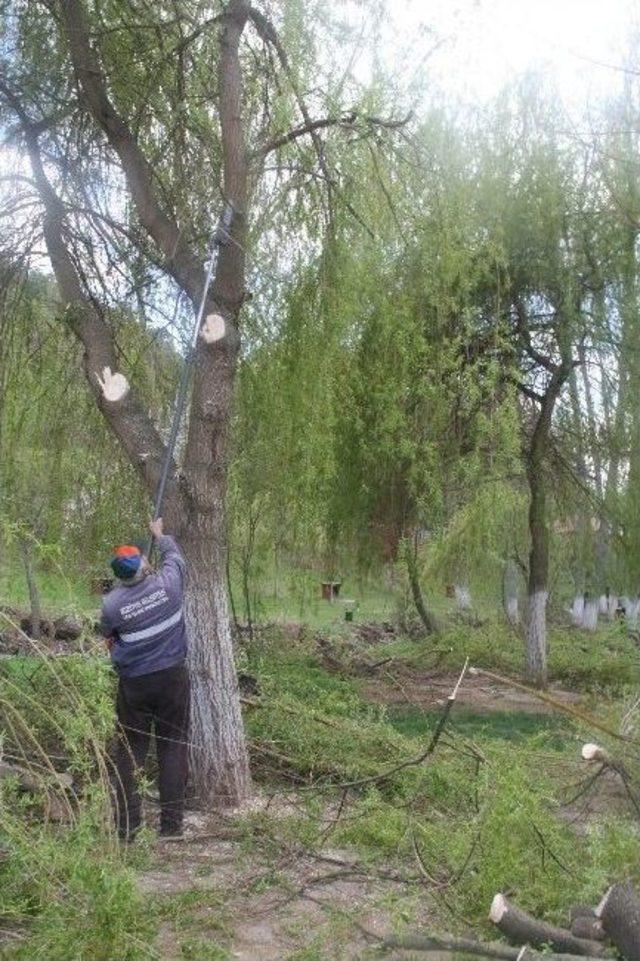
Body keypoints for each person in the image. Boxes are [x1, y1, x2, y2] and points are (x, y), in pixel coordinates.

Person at [100, 518, 190, 841]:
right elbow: (176, 558)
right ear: (144, 565)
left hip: (134, 685)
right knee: (172, 747)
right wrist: (160, 535)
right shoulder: (168, 583)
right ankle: (171, 828)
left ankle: (128, 828)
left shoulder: (111, 605)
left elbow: (108, 638)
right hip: (172, 679)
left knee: (130, 751)